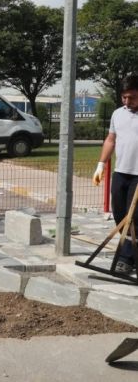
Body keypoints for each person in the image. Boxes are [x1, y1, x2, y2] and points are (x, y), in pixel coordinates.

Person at [93, 74, 138, 274]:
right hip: (121, 172)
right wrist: (101, 164)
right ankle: (131, 252)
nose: (127, 102)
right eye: (124, 97)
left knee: (134, 217)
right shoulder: (117, 114)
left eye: (133, 97)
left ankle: (127, 258)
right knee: (119, 213)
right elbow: (111, 139)